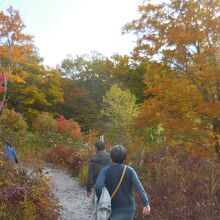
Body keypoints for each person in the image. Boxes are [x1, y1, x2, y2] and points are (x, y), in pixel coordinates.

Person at [95, 145, 150, 220]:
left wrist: (104, 198)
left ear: (111, 157)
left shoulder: (105, 171)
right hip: (129, 209)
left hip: (112, 209)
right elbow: (139, 188)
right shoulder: (130, 170)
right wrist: (146, 204)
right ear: (124, 157)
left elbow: (98, 187)